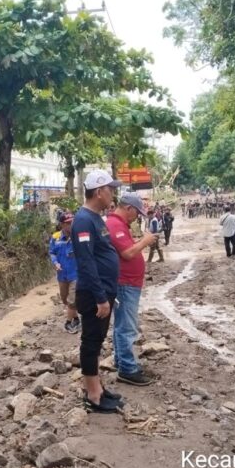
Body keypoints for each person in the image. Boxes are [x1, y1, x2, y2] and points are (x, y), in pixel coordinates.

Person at [71, 169, 125, 413]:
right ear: (99, 191)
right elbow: (86, 262)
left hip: (103, 291)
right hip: (94, 294)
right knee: (91, 341)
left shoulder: (95, 218)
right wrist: (101, 298)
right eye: (110, 189)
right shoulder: (83, 220)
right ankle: (93, 395)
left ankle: (98, 388)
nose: (113, 193)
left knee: (98, 339)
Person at [107, 193, 158, 386]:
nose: (137, 217)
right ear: (129, 208)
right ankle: (127, 369)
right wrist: (145, 241)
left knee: (122, 325)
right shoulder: (115, 225)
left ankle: (121, 361)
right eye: (137, 213)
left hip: (127, 283)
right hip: (125, 284)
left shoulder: (119, 224)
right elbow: (128, 253)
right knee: (127, 327)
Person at [49, 212, 80, 333]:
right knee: (64, 299)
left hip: (75, 273)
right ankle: (76, 318)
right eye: (68, 223)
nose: (71, 225)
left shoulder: (78, 236)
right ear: (62, 224)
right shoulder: (55, 237)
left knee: (72, 299)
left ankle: (68, 322)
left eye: (72, 222)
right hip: (62, 275)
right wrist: (55, 262)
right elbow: (52, 252)